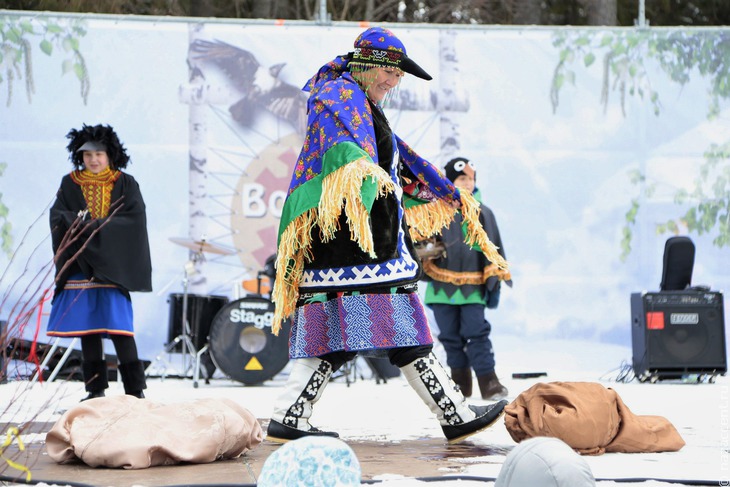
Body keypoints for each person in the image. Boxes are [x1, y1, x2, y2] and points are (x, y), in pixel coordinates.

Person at [265, 27, 512, 444]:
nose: (393, 82)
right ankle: (454, 413)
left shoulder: (358, 103)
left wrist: (433, 191)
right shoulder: (338, 99)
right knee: (404, 330)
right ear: (367, 65)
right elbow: (345, 159)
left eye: (398, 76)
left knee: (339, 335)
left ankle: (289, 416)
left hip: (354, 248)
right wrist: (369, 190)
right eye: (389, 72)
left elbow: (390, 165)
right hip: (356, 246)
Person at [47, 123, 152, 401]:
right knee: (88, 329)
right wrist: (82, 225)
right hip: (81, 266)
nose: (93, 159)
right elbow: (59, 217)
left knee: (120, 329)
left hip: (113, 268)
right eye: (87, 154)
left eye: (99, 154)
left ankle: (135, 391)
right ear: (79, 156)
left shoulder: (125, 183)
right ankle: (95, 391)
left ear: (111, 154)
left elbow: (133, 221)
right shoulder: (69, 183)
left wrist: (90, 227)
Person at [423, 156, 512, 400]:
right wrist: (427, 251)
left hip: (474, 287)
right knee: (450, 337)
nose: (468, 183)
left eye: (471, 179)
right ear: (450, 181)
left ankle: (489, 383)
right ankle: (459, 384)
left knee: (477, 332)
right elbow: (422, 242)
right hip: (441, 287)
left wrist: (493, 280)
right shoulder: (435, 210)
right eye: (462, 178)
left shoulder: (484, 213)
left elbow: (493, 248)